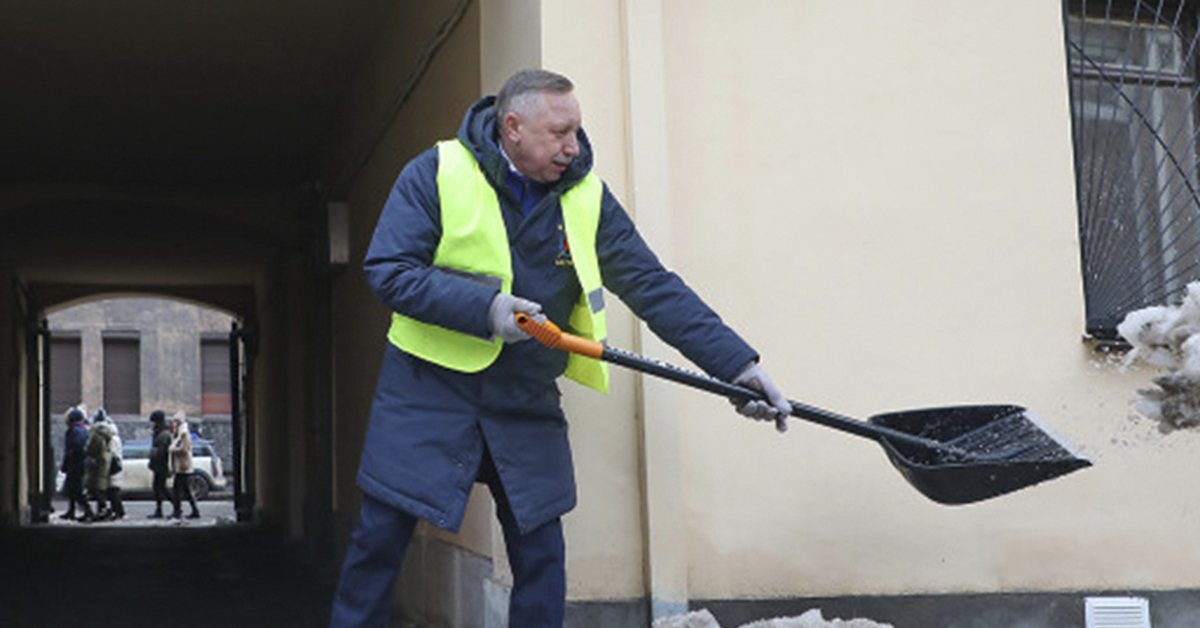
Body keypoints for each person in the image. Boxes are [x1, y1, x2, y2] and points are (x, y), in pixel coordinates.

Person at [328, 69, 791, 628]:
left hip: (524, 393)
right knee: (380, 540)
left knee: (541, 553)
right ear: (513, 127)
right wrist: (488, 308)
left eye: (577, 131)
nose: (573, 147)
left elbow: (653, 286)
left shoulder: (587, 198)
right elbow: (390, 271)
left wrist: (737, 366)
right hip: (429, 389)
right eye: (559, 132)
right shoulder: (435, 173)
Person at [82, 408, 117, 522]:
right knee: (100, 488)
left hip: (97, 463)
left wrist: (85, 449)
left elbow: (92, 447)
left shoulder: (97, 432)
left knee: (96, 488)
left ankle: (104, 510)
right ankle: (103, 511)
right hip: (104, 461)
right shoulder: (107, 431)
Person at [59, 407, 93, 521]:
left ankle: (88, 511)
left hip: (75, 464)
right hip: (80, 463)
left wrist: (66, 463)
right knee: (72, 489)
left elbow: (72, 448)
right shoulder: (83, 430)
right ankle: (71, 511)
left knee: (76, 490)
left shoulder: (74, 431)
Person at [169, 412, 201, 519]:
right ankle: (192, 511)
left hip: (183, 466)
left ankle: (178, 511)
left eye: (175, 421)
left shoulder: (184, 433)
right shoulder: (178, 433)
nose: (174, 423)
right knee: (184, 490)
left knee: (178, 489)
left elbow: (184, 448)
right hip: (180, 465)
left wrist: (172, 450)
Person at [147, 409, 172, 519]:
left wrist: (155, 456)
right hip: (158, 465)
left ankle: (176, 507)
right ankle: (159, 510)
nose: (152, 424)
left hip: (161, 465)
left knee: (161, 489)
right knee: (158, 488)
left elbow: (162, 451)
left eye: (153, 421)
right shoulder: (159, 433)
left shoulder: (163, 434)